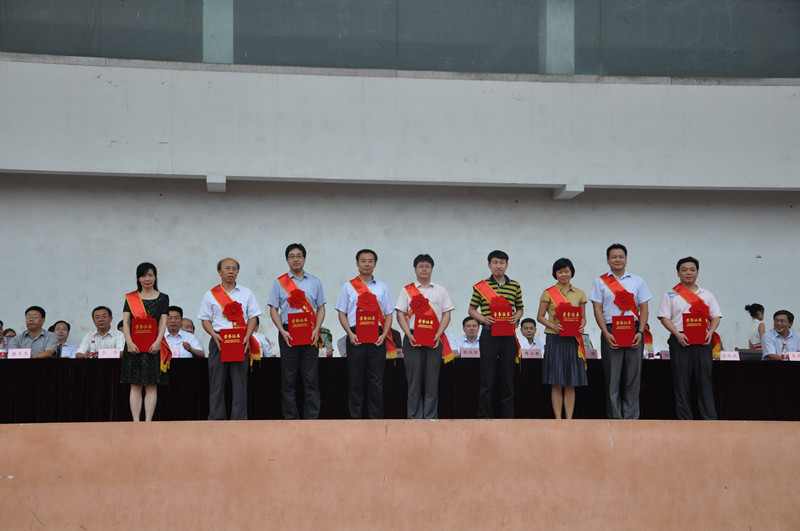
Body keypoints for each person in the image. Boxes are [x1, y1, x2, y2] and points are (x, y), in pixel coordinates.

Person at [589, 243, 653, 420]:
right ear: (608, 260)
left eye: (621, 256)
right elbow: (597, 309)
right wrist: (605, 332)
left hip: (634, 331)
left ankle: (631, 419)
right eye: (614, 257)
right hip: (611, 331)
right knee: (613, 379)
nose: (617, 259)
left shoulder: (638, 281)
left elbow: (644, 309)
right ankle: (615, 419)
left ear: (626, 259)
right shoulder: (600, 282)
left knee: (633, 378)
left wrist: (641, 332)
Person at [657, 256, 721, 420]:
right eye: (684, 270)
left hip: (703, 341)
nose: (688, 273)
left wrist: (710, 332)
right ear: (678, 273)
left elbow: (716, 316)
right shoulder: (670, 294)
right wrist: (677, 334)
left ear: (697, 273)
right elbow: (664, 317)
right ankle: (684, 421)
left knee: (704, 382)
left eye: (692, 269)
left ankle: (709, 420)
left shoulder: (706, 294)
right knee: (681, 383)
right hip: (680, 341)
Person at [268, 243, 327, 420]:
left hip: (310, 332)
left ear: (304, 259)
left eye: (299, 256)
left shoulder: (315, 281)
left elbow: (321, 308)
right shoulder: (279, 282)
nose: (296, 259)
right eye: (292, 256)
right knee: (288, 379)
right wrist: (281, 330)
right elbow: (273, 309)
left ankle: (311, 418)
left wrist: (317, 328)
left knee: (311, 378)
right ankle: (290, 419)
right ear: (287, 260)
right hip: (288, 333)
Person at [198, 258, 261, 421]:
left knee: (240, 384)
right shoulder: (210, 294)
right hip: (219, 340)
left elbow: (253, 316)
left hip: (240, 341)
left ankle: (239, 419)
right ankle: (216, 418)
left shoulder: (246, 293)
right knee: (217, 383)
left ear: (238, 272)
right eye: (227, 268)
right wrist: (213, 335)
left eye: (234, 268)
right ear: (219, 271)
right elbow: (205, 319)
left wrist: (247, 336)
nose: (231, 271)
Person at [335, 249, 394, 419]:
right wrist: (349, 333)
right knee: (355, 381)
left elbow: (389, 314)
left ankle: (376, 420)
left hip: (377, 337)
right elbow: (341, 313)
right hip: (355, 337)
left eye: (370, 261)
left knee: (376, 381)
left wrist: (384, 335)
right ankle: (356, 419)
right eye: (363, 261)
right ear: (357, 263)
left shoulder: (382, 287)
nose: (367, 264)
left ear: (375, 264)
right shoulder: (348, 287)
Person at [395, 254, 455, 419]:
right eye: (420, 266)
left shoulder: (440, 290)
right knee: (413, 382)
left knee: (432, 382)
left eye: (427, 266)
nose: (424, 269)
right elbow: (400, 314)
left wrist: (438, 334)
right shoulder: (407, 290)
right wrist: (408, 334)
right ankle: (414, 417)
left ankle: (430, 418)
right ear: (415, 269)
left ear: (432, 269)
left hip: (434, 339)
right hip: (413, 337)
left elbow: (447, 314)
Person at [468, 250, 524, 419]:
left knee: (508, 379)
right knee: (487, 379)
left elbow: (520, 308)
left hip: (508, 336)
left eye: (502, 262)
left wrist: (516, 317)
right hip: (488, 335)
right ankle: (485, 417)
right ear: (489, 265)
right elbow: (471, 310)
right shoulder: (481, 286)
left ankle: (507, 418)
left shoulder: (515, 285)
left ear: (506, 265)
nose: (498, 266)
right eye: (495, 262)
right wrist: (483, 319)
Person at [538, 258, 588, 420]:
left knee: (570, 382)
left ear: (571, 272)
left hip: (573, 339)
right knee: (556, 381)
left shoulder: (580, 293)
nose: (564, 274)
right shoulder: (548, 292)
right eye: (560, 272)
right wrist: (553, 326)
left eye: (566, 271)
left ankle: (569, 420)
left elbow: (583, 317)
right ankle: (558, 419)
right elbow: (540, 316)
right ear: (555, 274)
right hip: (554, 338)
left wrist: (581, 326)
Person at [120, 263, 169, 422]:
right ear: (138, 278)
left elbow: (163, 322)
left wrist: (158, 341)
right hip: (133, 346)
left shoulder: (163, 298)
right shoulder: (131, 298)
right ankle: (136, 421)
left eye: (150, 275)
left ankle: (148, 422)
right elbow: (126, 322)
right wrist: (129, 342)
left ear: (155, 277)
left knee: (151, 385)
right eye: (143, 275)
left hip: (153, 346)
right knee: (135, 385)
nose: (147, 279)